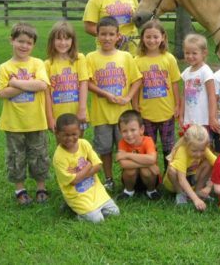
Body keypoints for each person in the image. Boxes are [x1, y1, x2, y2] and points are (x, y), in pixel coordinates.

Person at [86, 16, 142, 191]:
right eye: (103, 34)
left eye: (111, 34)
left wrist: (128, 98)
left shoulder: (125, 56)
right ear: (97, 35)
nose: (107, 38)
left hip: (122, 115)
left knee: (127, 146)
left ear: (118, 36)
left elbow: (137, 80)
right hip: (101, 114)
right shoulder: (91, 57)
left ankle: (130, 178)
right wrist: (105, 94)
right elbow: (86, 82)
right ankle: (109, 178)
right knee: (104, 149)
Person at [0, 22, 50, 205]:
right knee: (15, 156)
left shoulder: (38, 63)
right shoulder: (4, 68)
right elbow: (2, 93)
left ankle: (41, 187)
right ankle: (20, 189)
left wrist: (16, 83)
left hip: (36, 121)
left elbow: (42, 85)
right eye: (20, 41)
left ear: (33, 45)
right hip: (13, 123)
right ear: (12, 40)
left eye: (28, 43)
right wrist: (28, 84)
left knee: (39, 155)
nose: (24, 46)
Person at [53, 114, 119, 223]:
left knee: (115, 212)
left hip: (95, 190)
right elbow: (74, 181)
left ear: (79, 131)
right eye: (65, 135)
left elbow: (98, 166)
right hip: (77, 195)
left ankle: (87, 210)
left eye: (74, 134)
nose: (70, 138)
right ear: (57, 133)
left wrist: (80, 174)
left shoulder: (84, 144)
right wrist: (88, 166)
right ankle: (76, 211)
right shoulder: (59, 157)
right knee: (98, 220)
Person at [133, 20, 181, 169]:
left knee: (169, 148)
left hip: (167, 112)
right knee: (148, 148)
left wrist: (178, 105)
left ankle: (169, 178)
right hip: (146, 113)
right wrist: (135, 104)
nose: (152, 40)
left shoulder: (169, 58)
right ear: (142, 38)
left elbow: (174, 83)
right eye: (148, 37)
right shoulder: (137, 61)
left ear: (163, 37)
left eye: (155, 37)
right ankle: (152, 180)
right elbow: (135, 85)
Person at [44, 21, 89, 136]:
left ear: (72, 41)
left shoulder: (79, 58)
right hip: (58, 116)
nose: (63, 43)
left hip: (78, 112)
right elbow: (47, 94)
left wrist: (82, 109)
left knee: (80, 145)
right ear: (52, 41)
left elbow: (84, 84)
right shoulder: (47, 64)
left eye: (67, 39)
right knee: (62, 146)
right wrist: (50, 117)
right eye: (59, 39)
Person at [162, 124, 216, 211]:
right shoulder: (182, 151)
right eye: (194, 151)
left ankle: (198, 191)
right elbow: (182, 179)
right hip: (177, 182)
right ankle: (180, 194)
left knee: (209, 163)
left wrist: (210, 185)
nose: (198, 154)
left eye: (202, 150)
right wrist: (195, 200)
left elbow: (219, 164)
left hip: (192, 177)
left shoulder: (201, 146)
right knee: (172, 170)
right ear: (187, 145)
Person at [116, 110, 161, 201]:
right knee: (130, 170)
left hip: (150, 178)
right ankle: (129, 191)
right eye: (124, 131)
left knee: (145, 170)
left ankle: (151, 191)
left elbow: (152, 159)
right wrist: (149, 164)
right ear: (120, 132)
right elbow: (123, 164)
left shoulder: (148, 140)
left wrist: (127, 155)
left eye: (133, 130)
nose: (129, 135)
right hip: (131, 180)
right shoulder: (122, 143)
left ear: (142, 129)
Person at [179, 34, 216, 129]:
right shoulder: (186, 73)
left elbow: (212, 96)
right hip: (189, 120)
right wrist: (181, 115)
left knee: (203, 143)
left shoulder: (206, 71)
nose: (190, 56)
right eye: (187, 53)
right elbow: (183, 95)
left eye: (194, 53)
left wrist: (212, 117)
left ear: (204, 53)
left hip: (203, 120)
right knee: (190, 143)